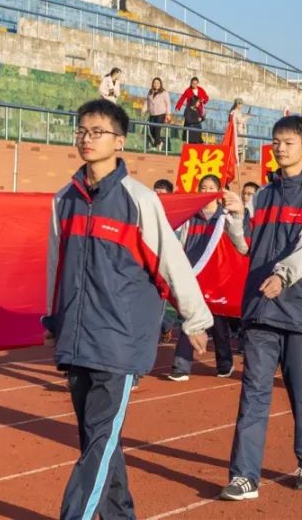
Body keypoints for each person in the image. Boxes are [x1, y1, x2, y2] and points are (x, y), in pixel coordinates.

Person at [44, 98, 213, 518]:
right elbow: (55, 266)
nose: (87, 138)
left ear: (119, 141)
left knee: (99, 443)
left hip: (119, 342)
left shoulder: (139, 201)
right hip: (76, 337)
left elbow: (171, 261)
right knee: (99, 442)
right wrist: (54, 317)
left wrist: (196, 316)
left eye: (97, 131)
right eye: (81, 130)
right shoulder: (63, 199)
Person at [219, 114, 302, 499]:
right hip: (261, 309)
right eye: (276, 141)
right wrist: (236, 215)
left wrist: (283, 276)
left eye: (288, 142)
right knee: (253, 391)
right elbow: (244, 244)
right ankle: (244, 475)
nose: (281, 147)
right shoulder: (263, 195)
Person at [167, 174, 236, 381]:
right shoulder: (191, 216)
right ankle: (181, 366)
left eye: (210, 187)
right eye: (203, 187)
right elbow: (180, 241)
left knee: (218, 323)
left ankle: (224, 363)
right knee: (191, 316)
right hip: (193, 274)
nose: (206, 191)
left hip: (217, 277)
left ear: (218, 191)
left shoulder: (225, 217)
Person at [145, 77, 172, 149]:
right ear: (153, 84)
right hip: (152, 114)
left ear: (160, 84)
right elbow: (147, 102)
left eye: (158, 83)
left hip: (161, 114)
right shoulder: (150, 92)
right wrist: (143, 109)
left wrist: (168, 114)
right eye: (155, 83)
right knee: (151, 130)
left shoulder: (164, 92)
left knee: (157, 130)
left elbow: (168, 104)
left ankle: (157, 144)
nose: (156, 84)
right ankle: (159, 142)